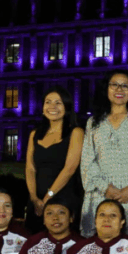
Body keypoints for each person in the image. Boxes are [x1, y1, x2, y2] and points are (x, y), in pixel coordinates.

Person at [80, 70, 128, 239]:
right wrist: (105, 188)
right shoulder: (94, 122)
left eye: (125, 86)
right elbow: (87, 159)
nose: (119, 89)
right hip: (100, 194)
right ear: (107, 89)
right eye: (114, 85)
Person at [25, 87, 84, 233]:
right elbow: (30, 168)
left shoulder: (76, 132)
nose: (52, 107)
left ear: (67, 107)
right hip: (37, 198)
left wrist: (47, 199)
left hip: (64, 196)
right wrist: (34, 198)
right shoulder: (35, 134)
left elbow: (70, 169)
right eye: (48, 102)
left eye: (58, 103)